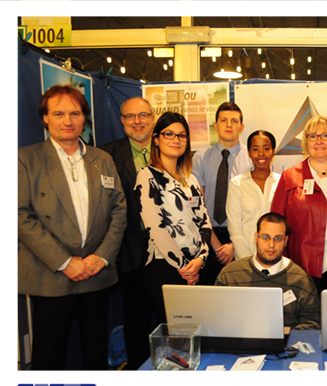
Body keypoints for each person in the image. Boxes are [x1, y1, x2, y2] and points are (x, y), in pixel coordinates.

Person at [18, 85, 127, 370]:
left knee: (96, 353)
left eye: (75, 114)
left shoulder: (102, 159)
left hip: (95, 273)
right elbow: (20, 216)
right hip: (50, 275)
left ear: (84, 118)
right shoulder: (25, 160)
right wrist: (65, 262)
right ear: (45, 118)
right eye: (59, 114)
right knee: (48, 355)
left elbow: (119, 211)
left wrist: (101, 257)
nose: (68, 121)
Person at [135, 112, 213, 327]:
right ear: (156, 139)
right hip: (165, 265)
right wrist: (185, 267)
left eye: (182, 135)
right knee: (176, 332)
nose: (176, 140)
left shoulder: (190, 178)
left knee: (200, 330)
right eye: (169, 134)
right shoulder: (147, 176)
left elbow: (204, 222)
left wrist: (200, 259)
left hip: (197, 265)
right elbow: (156, 228)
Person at [271, 115, 327, 293]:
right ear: (306, 142)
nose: (319, 141)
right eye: (312, 136)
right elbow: (276, 224)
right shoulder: (290, 177)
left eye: (325, 135)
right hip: (305, 267)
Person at [99, 96, 156, 370]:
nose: (137, 121)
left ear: (153, 118)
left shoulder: (170, 148)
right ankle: (139, 374)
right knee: (136, 320)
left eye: (143, 115)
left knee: (174, 319)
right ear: (122, 121)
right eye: (131, 116)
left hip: (170, 255)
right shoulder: (106, 155)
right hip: (129, 252)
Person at [216, 213, 320, 330]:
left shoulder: (301, 279)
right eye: (265, 237)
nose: (271, 244)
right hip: (238, 339)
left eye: (278, 238)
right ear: (256, 238)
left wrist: (289, 338)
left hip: (287, 340)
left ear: (286, 241)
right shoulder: (230, 275)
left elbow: (313, 323)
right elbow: (216, 317)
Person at [192, 101, 252, 283]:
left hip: (243, 237)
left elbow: (255, 207)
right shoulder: (200, 158)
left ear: (241, 127)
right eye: (223, 120)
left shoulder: (252, 159)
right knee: (209, 294)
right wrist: (216, 244)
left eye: (234, 121)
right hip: (207, 235)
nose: (229, 125)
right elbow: (198, 206)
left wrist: (235, 244)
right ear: (215, 125)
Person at [226, 130, 281, 260]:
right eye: (255, 149)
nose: (261, 154)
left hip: (276, 256)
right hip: (245, 257)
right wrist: (248, 259)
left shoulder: (282, 182)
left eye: (266, 148)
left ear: (273, 151)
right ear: (249, 152)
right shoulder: (237, 184)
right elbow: (235, 227)